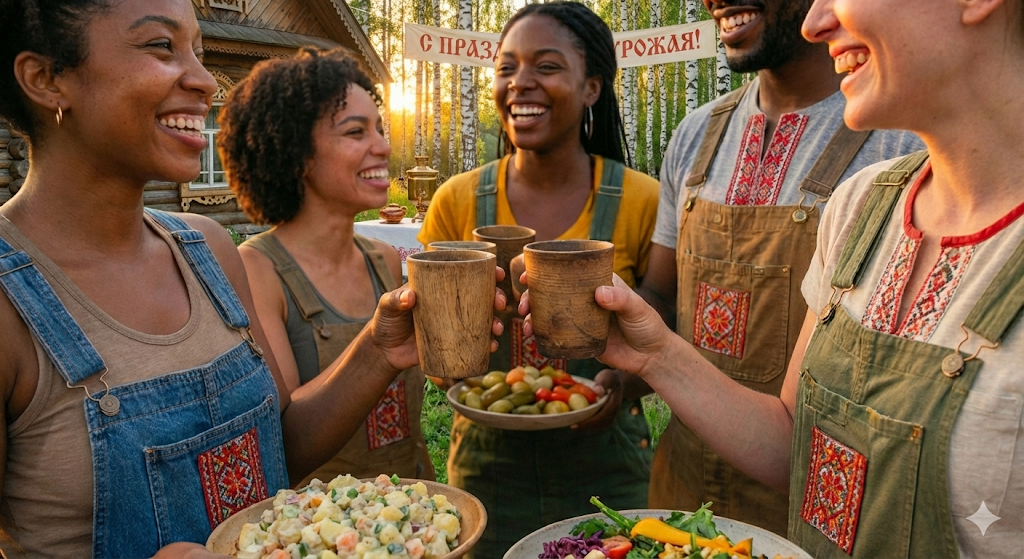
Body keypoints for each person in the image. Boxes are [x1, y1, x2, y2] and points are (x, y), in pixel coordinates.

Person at [522, 0, 1024, 555]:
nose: (817, 21)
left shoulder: (883, 156)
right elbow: (797, 444)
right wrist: (654, 355)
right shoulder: (864, 205)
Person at [0, 2, 501, 557]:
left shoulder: (209, 248)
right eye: (161, 47)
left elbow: (278, 449)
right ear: (45, 79)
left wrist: (380, 351)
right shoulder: (7, 298)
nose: (204, 80)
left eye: (199, 51)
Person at [632, 0, 922, 535]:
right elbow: (661, 293)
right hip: (678, 497)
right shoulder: (694, 135)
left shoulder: (900, 143)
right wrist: (601, 342)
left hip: (804, 514)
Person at [417, 3, 660, 556]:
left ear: (592, 87)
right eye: (506, 68)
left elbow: (668, 329)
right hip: (486, 474)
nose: (520, 83)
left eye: (546, 66)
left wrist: (624, 388)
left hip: (611, 471)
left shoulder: (642, 200)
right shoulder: (457, 202)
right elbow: (437, 353)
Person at [218, 48, 435, 486]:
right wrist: (374, 351)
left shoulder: (386, 260)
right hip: (321, 530)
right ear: (296, 154)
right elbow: (284, 440)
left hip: (414, 518)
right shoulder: (257, 271)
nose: (383, 147)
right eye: (356, 132)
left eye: (379, 129)